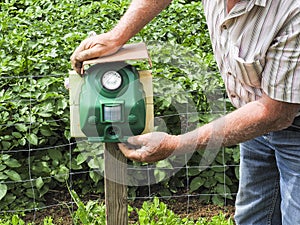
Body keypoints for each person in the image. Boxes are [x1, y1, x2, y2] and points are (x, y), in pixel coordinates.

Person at [70, 0, 300, 224]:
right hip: (252, 119)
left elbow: (275, 112)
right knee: (252, 217)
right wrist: (116, 36)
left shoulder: (292, 11)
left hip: (291, 124)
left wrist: (178, 144)